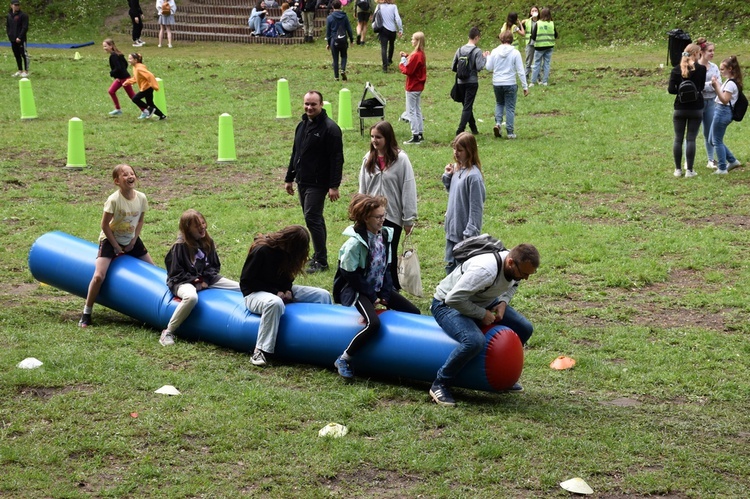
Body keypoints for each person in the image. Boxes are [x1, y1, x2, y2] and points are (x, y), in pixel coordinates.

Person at [429, 243, 540, 406]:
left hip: (482, 300)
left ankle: (502, 377)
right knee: (474, 341)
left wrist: (503, 302)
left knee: (524, 328)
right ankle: (440, 383)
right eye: (524, 273)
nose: (525, 278)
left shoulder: (515, 264)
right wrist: (482, 314)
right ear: (510, 263)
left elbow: (513, 283)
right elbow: (453, 299)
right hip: (447, 306)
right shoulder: (484, 271)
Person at [332, 194, 420, 379]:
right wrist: (372, 297)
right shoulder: (354, 243)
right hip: (357, 289)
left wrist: (386, 295)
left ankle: (396, 355)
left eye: (383, 216)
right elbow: (350, 274)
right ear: (366, 218)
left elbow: (387, 268)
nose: (382, 220)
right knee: (373, 324)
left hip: (378, 286)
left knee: (414, 312)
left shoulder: (385, 235)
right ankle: (344, 358)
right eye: (378, 217)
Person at [240, 225, 332, 367]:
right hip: (254, 293)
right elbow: (246, 281)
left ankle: (322, 341)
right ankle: (260, 351)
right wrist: (275, 292)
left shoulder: (288, 254)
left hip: (277, 291)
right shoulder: (262, 250)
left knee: (322, 295)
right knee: (275, 303)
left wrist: (287, 290)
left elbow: (286, 279)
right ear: (290, 243)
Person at [79, 164, 155, 327]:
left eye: (132, 173)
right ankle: (86, 312)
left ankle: (153, 309)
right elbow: (105, 225)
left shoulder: (141, 197)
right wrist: (115, 246)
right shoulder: (114, 200)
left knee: (154, 271)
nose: (130, 176)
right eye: (125, 175)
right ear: (117, 181)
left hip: (131, 239)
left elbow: (140, 220)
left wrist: (133, 241)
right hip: (110, 239)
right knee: (99, 276)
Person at [161, 210, 241, 346]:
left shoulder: (207, 242)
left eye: (203, 223)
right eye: (197, 226)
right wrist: (196, 282)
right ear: (187, 229)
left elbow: (214, 266)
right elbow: (175, 273)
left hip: (205, 279)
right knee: (191, 297)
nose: (202, 227)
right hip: (182, 282)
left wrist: (205, 280)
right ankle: (168, 331)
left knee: (241, 287)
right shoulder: (180, 246)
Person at [284, 91, 343, 273]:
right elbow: (296, 153)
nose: (309, 108)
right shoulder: (302, 126)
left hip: (319, 182)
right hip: (302, 180)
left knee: (312, 217)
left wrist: (334, 185)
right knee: (314, 218)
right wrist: (289, 178)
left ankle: (321, 260)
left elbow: (336, 159)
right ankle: (319, 255)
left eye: (313, 104)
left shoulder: (330, 129)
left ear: (321, 105)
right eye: (307, 104)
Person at [358, 121, 417, 290]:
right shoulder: (368, 159)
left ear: (388, 138)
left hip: (392, 216)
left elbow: (408, 188)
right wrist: (361, 211)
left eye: (379, 137)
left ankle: (391, 288)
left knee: (389, 254)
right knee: (373, 254)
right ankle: (374, 286)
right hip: (370, 217)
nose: (375, 141)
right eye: (372, 137)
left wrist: (408, 218)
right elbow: (362, 189)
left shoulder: (401, 160)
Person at [442, 132, 486, 274]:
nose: (456, 153)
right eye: (454, 149)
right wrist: (448, 176)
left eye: (460, 150)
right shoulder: (458, 170)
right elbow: (455, 194)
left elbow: (476, 209)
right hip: (452, 232)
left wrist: (469, 234)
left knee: (461, 274)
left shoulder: (473, 177)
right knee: (450, 269)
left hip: (464, 237)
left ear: (470, 151)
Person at [667, 43, 705, 178]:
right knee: (691, 139)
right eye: (699, 52)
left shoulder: (676, 70)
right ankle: (689, 170)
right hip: (696, 108)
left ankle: (677, 170)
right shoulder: (701, 69)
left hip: (680, 108)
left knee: (678, 139)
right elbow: (701, 87)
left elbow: (671, 90)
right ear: (695, 54)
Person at [486, 30, 529, 139]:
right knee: (510, 107)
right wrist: (525, 86)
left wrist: (487, 57)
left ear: (501, 39)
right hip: (510, 82)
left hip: (497, 82)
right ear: (512, 39)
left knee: (499, 103)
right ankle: (510, 132)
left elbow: (489, 67)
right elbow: (520, 70)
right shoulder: (515, 52)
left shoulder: (494, 51)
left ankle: (498, 124)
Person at [710, 56, 744, 175]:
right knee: (712, 139)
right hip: (720, 110)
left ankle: (722, 168)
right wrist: (718, 85)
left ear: (730, 69)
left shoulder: (731, 84)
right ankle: (732, 160)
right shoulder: (730, 81)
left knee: (716, 141)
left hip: (722, 112)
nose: (721, 71)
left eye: (722, 69)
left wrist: (716, 87)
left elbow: (724, 99)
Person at [452, 27, 488, 136]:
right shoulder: (477, 51)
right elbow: (479, 67)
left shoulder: (459, 50)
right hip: (471, 82)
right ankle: (460, 130)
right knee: (467, 106)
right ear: (476, 37)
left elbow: (453, 66)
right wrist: (485, 58)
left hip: (460, 82)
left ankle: (474, 129)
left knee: (467, 106)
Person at [398, 31, 426, 144]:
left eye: (413, 39)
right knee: (418, 110)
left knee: (411, 111)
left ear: (417, 41)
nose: (411, 41)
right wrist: (407, 56)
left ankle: (415, 136)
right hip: (419, 86)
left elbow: (408, 70)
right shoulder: (421, 54)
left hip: (412, 86)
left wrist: (401, 64)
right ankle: (420, 133)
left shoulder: (415, 55)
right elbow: (414, 60)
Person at [696, 37, 720, 169]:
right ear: (702, 52)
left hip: (711, 102)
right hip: (698, 102)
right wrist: (711, 83)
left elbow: (719, 84)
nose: (712, 53)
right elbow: (696, 86)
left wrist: (711, 85)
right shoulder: (696, 66)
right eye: (710, 51)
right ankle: (688, 161)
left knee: (709, 132)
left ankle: (711, 160)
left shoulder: (715, 67)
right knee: (692, 133)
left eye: (713, 51)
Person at [103, 39, 142, 117]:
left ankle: (145, 110)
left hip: (124, 78)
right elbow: (125, 64)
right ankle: (118, 109)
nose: (104, 48)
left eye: (105, 46)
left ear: (111, 46)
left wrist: (112, 73)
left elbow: (118, 67)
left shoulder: (114, 56)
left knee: (132, 96)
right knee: (111, 91)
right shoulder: (118, 54)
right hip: (120, 78)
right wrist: (118, 76)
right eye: (103, 46)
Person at [124, 53, 167, 120]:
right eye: (128, 58)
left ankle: (149, 109)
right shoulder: (135, 67)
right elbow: (136, 78)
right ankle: (162, 116)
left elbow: (150, 75)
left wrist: (154, 85)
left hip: (147, 88)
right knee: (150, 103)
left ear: (135, 60)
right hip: (147, 87)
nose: (128, 60)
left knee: (135, 99)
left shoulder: (139, 68)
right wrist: (128, 82)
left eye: (130, 59)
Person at [325, 0, 353, 82]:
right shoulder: (345, 16)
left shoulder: (329, 17)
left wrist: (328, 43)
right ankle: (343, 69)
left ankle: (336, 77)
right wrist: (351, 39)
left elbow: (328, 32)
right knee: (344, 56)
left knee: (335, 59)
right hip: (343, 39)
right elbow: (349, 29)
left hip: (334, 40)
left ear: (332, 7)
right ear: (341, 6)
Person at [530, 7, 557, 86]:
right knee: (547, 64)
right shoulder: (552, 23)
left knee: (536, 63)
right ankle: (545, 81)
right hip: (549, 46)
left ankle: (533, 82)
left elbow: (533, 36)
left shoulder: (538, 23)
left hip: (539, 47)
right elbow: (556, 35)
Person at [375, 0, 402, 73]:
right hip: (392, 30)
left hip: (383, 30)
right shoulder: (394, 6)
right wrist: (400, 29)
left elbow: (375, 17)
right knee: (392, 44)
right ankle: (389, 59)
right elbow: (398, 19)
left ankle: (385, 67)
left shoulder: (379, 6)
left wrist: (375, 27)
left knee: (384, 47)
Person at [7, 0, 28, 78]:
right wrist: (10, 36)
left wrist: (20, 37)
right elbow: (8, 26)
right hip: (13, 39)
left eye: (18, 5)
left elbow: (25, 27)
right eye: (15, 5)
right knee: (16, 55)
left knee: (24, 54)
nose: (17, 6)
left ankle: (26, 71)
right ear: (11, 5)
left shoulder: (23, 15)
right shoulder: (9, 15)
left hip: (21, 39)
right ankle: (20, 70)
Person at [522, 6, 539, 80]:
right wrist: (521, 24)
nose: (534, 12)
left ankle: (538, 76)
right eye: (532, 11)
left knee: (537, 60)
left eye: (536, 10)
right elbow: (521, 30)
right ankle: (526, 75)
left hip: (538, 43)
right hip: (529, 43)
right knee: (528, 60)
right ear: (530, 12)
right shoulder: (527, 21)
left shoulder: (541, 21)